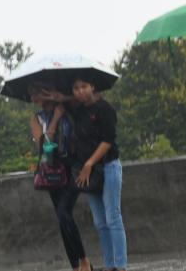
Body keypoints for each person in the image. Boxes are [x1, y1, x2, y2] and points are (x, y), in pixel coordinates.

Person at [65, 77, 128, 271]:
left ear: (93, 86)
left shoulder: (105, 109)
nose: (80, 91)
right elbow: (65, 103)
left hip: (107, 166)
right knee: (100, 222)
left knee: (112, 217)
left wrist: (90, 163)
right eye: (76, 88)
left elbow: (108, 140)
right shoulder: (79, 111)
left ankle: (120, 265)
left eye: (84, 86)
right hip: (89, 173)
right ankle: (110, 265)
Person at [28, 82, 91, 271]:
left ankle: (84, 261)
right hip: (52, 171)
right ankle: (76, 265)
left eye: (37, 92)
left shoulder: (67, 108)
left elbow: (83, 100)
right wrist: (54, 120)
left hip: (72, 167)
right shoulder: (36, 119)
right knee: (62, 217)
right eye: (32, 94)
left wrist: (61, 99)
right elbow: (43, 146)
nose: (34, 97)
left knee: (64, 212)